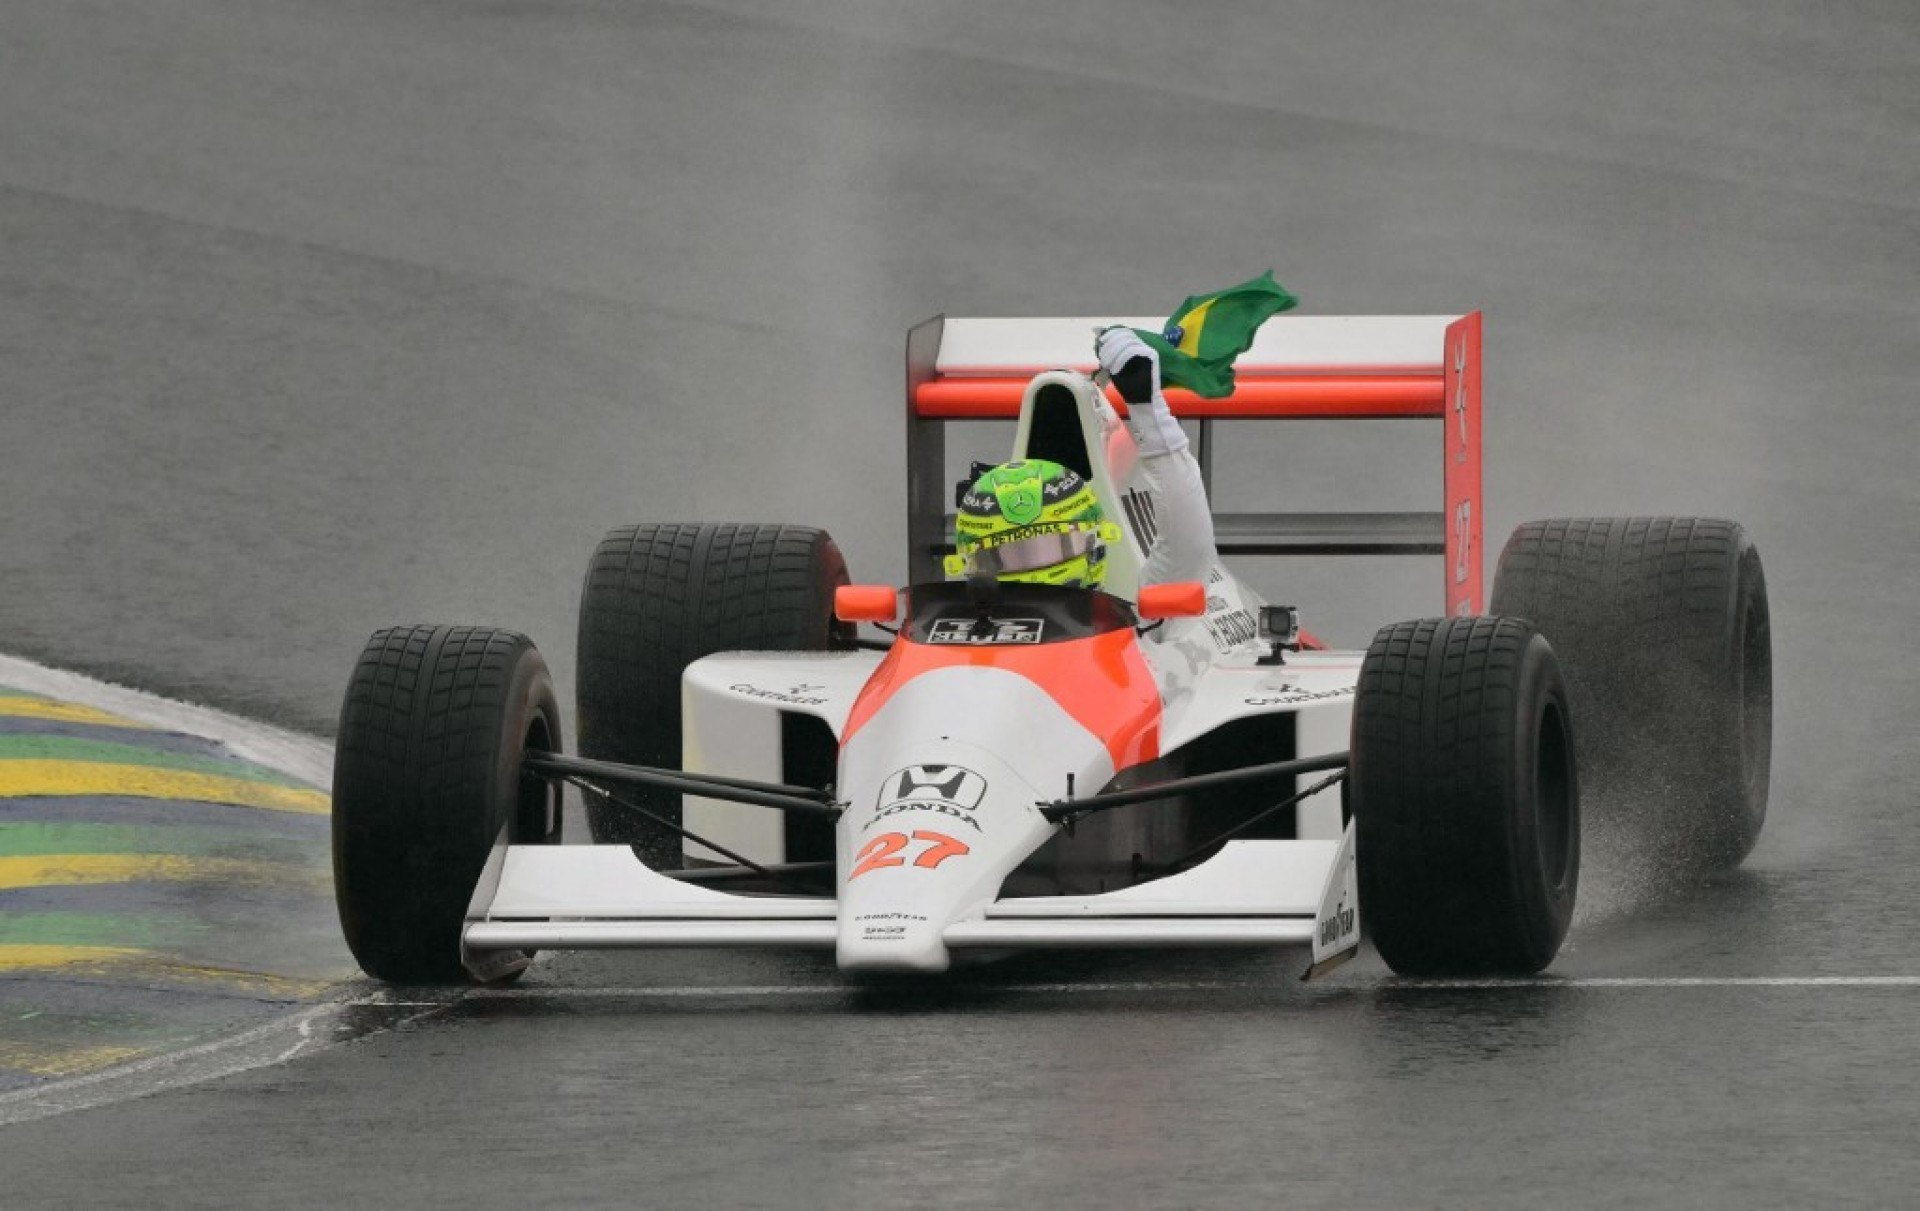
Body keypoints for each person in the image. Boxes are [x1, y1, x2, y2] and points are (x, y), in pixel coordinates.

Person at [949, 326, 1220, 593]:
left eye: (1054, 546)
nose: (1031, 573)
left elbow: (1188, 549)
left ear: (1095, 543)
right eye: (1001, 558)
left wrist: (1150, 413)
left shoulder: (1143, 617)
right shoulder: (959, 629)